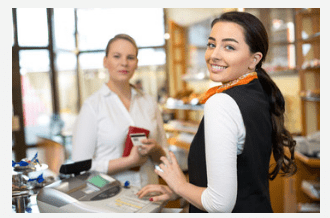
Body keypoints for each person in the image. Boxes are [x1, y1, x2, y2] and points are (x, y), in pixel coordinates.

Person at [137, 11, 297, 213]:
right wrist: (181, 192)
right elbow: (242, 175)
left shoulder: (222, 102)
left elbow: (220, 204)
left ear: (254, 59)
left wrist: (179, 184)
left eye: (229, 47)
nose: (214, 55)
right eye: (212, 44)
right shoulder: (259, 92)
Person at [72, 34, 168, 188]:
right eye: (117, 56)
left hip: (151, 200)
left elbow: (166, 156)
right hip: (110, 203)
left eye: (130, 57)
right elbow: (80, 169)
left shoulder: (149, 102)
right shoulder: (92, 106)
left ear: (136, 63)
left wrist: (157, 150)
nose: (124, 63)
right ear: (105, 61)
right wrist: (128, 162)